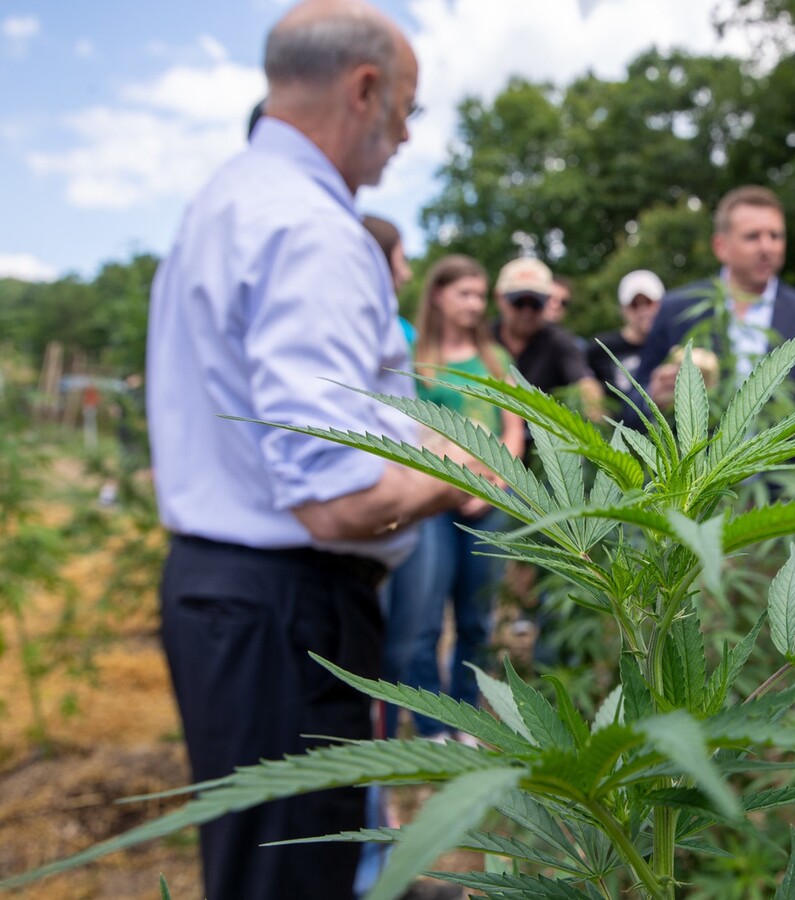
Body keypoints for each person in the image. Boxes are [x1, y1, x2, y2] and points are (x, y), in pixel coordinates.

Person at [145, 4, 474, 897]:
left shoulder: (226, 202)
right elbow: (336, 496)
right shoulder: (312, 231)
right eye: (406, 110)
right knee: (292, 877)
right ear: (363, 91)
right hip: (287, 611)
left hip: (232, 600)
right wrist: (460, 471)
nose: (405, 136)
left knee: (263, 867)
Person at [385, 255, 523, 740]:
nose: (473, 304)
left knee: (476, 617)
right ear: (438, 296)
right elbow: (409, 433)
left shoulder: (495, 360)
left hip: (486, 502)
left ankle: (465, 713)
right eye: (463, 293)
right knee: (423, 617)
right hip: (432, 505)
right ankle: (430, 725)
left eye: (478, 295)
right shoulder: (416, 361)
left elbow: (513, 429)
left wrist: (496, 484)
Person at [632, 185, 795, 422]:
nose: (767, 247)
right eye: (752, 236)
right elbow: (632, 404)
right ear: (720, 246)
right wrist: (652, 398)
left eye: (775, 236)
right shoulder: (677, 309)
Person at [490, 257, 602, 418]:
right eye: (519, 302)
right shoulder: (483, 338)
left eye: (536, 303)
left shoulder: (558, 341)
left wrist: (594, 416)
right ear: (499, 298)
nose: (527, 311)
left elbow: (585, 384)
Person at [587, 269, 664, 393]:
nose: (643, 310)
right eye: (634, 304)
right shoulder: (601, 348)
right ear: (623, 309)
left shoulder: (671, 345)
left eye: (649, 302)